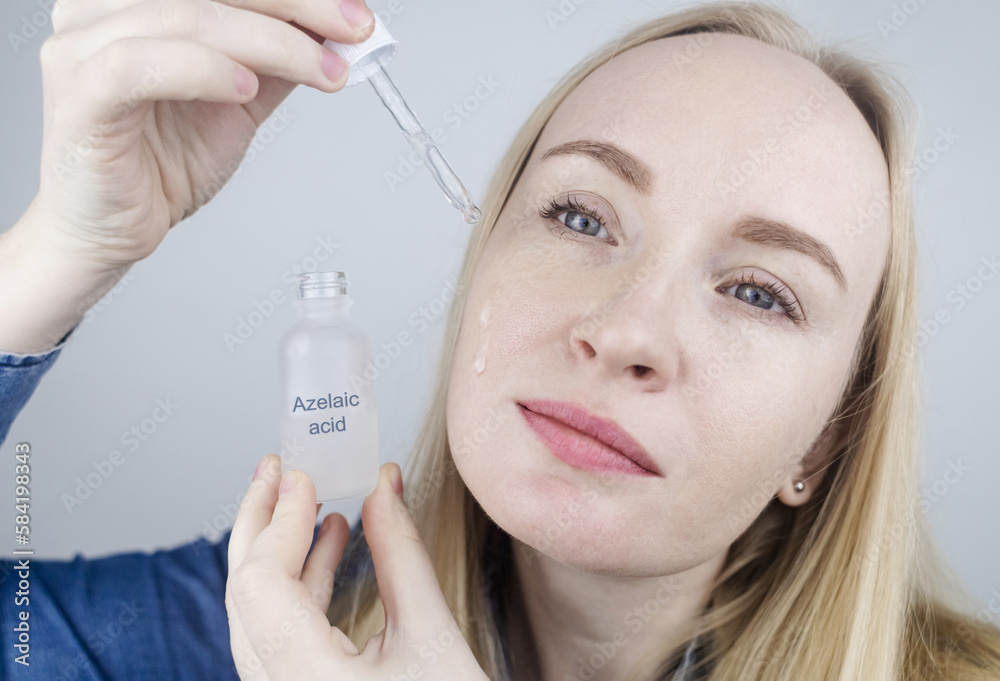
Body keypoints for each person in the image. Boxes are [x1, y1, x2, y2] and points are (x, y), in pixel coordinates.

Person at [1, 2, 998, 680]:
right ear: (479, 265)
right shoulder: (262, 617)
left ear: (824, 439)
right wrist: (63, 249)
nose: (624, 332)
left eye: (757, 293)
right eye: (580, 217)